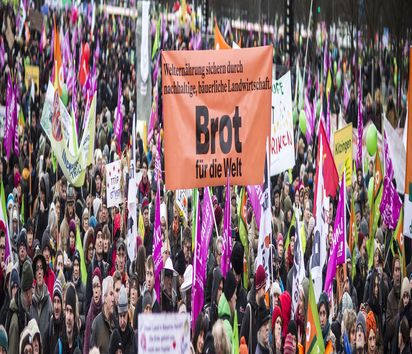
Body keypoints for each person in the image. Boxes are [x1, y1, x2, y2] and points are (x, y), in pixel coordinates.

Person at [7, 260, 33, 354]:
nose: (32, 295)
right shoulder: (15, 319)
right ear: (28, 293)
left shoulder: (24, 313)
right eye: (32, 291)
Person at [240, 264, 266, 354]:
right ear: (258, 288)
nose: (265, 292)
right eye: (263, 288)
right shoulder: (249, 310)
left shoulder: (264, 311)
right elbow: (242, 339)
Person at [133, 255, 161, 330]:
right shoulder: (139, 302)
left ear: (154, 279)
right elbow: (135, 328)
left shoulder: (156, 305)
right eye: (147, 274)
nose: (148, 279)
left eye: (151, 274)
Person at [30, 250, 52, 339]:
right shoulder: (30, 301)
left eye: (41, 268)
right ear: (34, 274)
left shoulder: (49, 300)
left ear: (43, 272)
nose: (39, 272)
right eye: (37, 269)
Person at [90, 276, 115, 354]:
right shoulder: (96, 324)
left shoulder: (116, 322)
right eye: (111, 294)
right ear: (104, 297)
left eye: (114, 294)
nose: (113, 299)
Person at [54, 283, 82, 353]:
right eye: (67, 310)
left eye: (71, 311)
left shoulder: (79, 344)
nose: (68, 317)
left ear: (75, 315)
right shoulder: (59, 346)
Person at [218, 270, 238, 351]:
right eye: (234, 293)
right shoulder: (227, 327)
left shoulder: (221, 320)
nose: (236, 297)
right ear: (230, 297)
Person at [84, 268, 103, 354]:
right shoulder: (90, 314)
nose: (96, 290)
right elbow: (86, 344)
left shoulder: (104, 309)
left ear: (101, 288)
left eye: (98, 286)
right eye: (94, 286)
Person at [111, 286, 135, 354]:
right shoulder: (114, 336)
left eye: (124, 316)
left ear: (128, 314)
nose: (122, 321)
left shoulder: (132, 335)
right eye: (120, 316)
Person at [43, 279, 64, 354]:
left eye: (58, 301)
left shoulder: (66, 327)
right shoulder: (48, 330)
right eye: (54, 301)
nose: (56, 306)